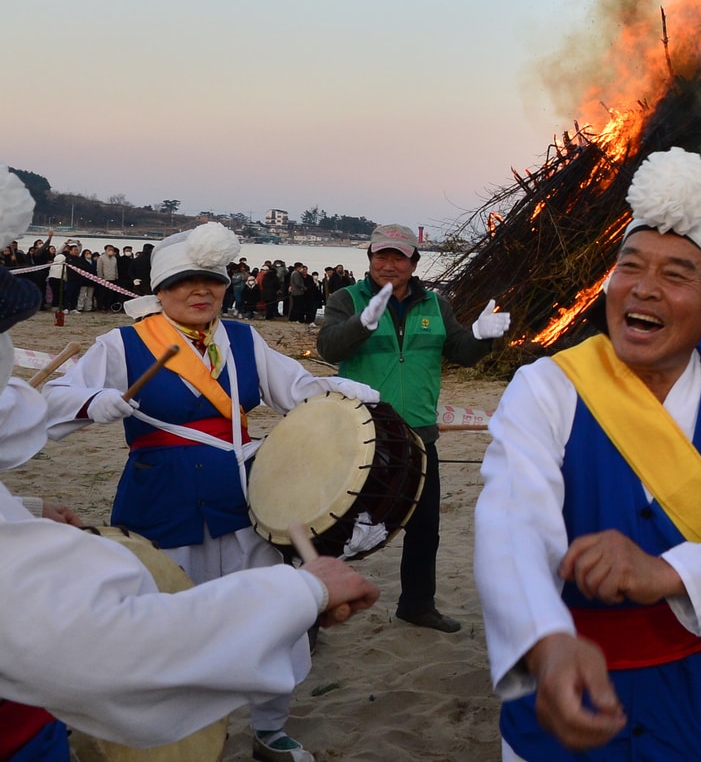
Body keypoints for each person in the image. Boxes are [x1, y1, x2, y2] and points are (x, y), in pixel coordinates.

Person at [0, 173, 379, 762]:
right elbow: (41, 402)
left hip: (243, 498)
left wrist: (339, 393)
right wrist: (91, 402)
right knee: (169, 615)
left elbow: (296, 389)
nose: (201, 292)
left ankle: (270, 727)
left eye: (212, 282)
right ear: (162, 288)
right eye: (186, 283)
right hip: (161, 497)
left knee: (273, 612)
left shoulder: (246, 340)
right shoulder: (122, 345)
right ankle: (179, 736)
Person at [474, 148, 701, 760]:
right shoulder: (548, 388)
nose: (643, 288)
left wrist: (665, 573)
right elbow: (510, 520)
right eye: (630, 266)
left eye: (676, 274)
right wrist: (545, 641)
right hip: (563, 704)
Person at [317, 222, 509, 634]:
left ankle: (417, 604)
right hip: (361, 431)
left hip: (419, 434)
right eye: (381, 256)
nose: (388, 264)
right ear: (369, 259)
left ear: (413, 263)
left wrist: (480, 336)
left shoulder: (436, 305)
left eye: (398, 257)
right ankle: (316, 609)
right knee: (335, 525)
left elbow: (460, 352)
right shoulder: (345, 299)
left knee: (425, 527)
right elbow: (329, 347)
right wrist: (361, 324)